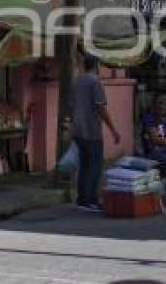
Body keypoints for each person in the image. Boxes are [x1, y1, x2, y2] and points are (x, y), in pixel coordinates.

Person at [70, 54, 121, 212]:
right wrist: (113, 130)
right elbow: (101, 108)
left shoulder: (76, 81)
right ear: (97, 65)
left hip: (77, 128)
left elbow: (71, 105)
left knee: (85, 164)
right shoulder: (95, 82)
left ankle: (82, 198)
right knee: (95, 164)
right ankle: (90, 199)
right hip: (91, 129)